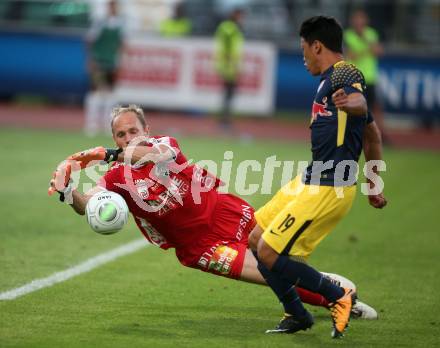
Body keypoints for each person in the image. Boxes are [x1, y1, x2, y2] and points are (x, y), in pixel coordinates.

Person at [48, 104, 377, 319]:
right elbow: (90, 204)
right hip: (201, 247)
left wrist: (104, 153)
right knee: (264, 273)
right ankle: (338, 299)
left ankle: (323, 288)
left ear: (146, 130)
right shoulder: (115, 177)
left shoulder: (165, 145)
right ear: (114, 138)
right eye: (120, 135)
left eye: (133, 131)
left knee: (277, 261)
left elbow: (153, 156)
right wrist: (68, 192)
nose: (127, 137)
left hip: (226, 212)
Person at [247, 16, 387, 338]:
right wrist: (375, 185)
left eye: (304, 49)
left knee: (269, 253)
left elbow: (359, 101)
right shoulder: (326, 81)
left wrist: (353, 102)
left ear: (317, 46)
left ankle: (338, 296)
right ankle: (297, 314)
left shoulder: (343, 73)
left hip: (331, 185)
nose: (303, 56)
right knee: (256, 239)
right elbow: (373, 135)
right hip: (312, 178)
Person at [344, 10, 388, 143]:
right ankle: (351, 135)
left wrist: (365, 48)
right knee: (353, 107)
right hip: (354, 78)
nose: (359, 23)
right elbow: (351, 55)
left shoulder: (371, 33)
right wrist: (367, 48)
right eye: (356, 20)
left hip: (370, 77)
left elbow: (379, 51)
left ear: (365, 21)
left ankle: (381, 135)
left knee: (376, 107)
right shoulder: (348, 35)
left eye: (361, 20)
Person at [84, 0, 124, 137]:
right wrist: (91, 59)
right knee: (96, 91)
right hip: (99, 61)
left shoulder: (120, 24)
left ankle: (109, 124)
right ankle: (91, 124)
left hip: (112, 62)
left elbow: (121, 45)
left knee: (111, 93)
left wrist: (120, 62)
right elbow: (89, 41)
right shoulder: (99, 23)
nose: (114, 8)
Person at [214, 8, 244, 130]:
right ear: (235, 15)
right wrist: (230, 65)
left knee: (229, 93)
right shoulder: (230, 28)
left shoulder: (229, 27)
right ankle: (224, 120)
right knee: (229, 92)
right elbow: (227, 47)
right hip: (229, 66)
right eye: (240, 15)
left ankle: (225, 118)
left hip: (229, 64)